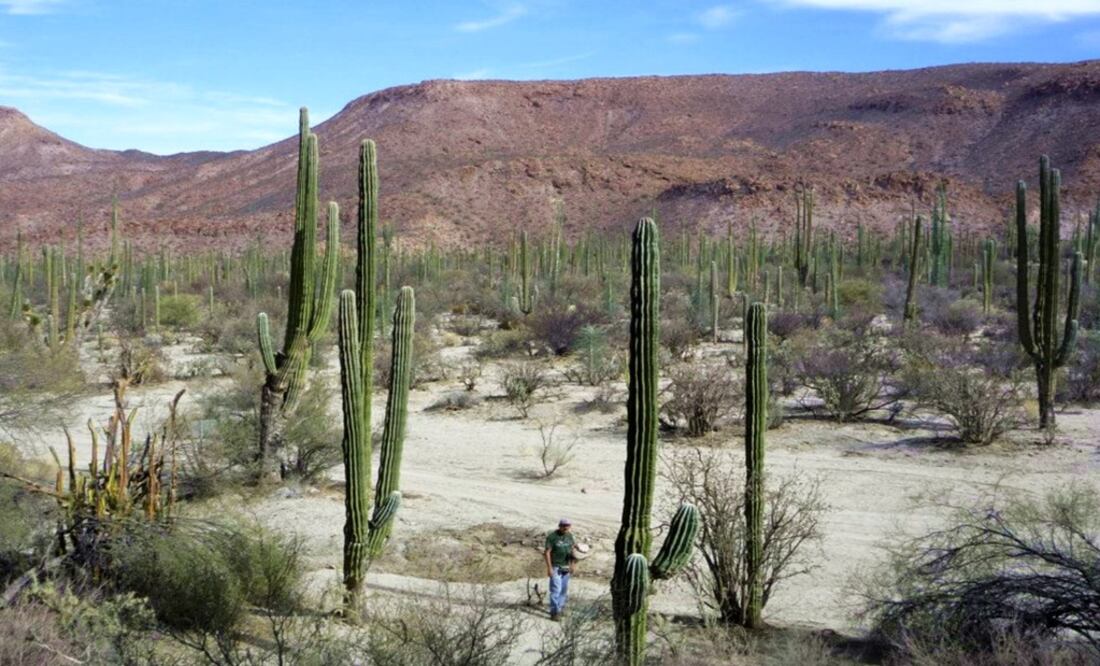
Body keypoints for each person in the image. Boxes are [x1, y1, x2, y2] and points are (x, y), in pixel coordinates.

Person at [544, 518, 576, 620]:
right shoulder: (552, 537)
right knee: (555, 590)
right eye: (564, 525)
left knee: (563, 590)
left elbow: (571, 550)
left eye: (568, 525)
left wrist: (572, 564)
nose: (566, 527)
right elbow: (547, 552)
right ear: (560, 526)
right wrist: (549, 568)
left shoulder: (569, 536)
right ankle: (554, 612)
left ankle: (560, 608)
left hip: (566, 567)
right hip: (556, 566)